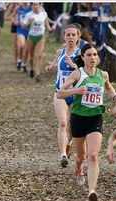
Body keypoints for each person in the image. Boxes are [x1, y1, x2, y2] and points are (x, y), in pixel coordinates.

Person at [56, 43, 116, 201]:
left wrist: (115, 98)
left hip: (95, 118)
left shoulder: (103, 75)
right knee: (81, 156)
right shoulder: (78, 74)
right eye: (89, 55)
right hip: (78, 118)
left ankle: (92, 191)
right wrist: (76, 91)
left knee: (92, 155)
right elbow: (60, 93)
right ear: (82, 57)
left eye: (95, 55)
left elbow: (109, 88)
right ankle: (78, 168)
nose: (92, 58)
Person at [45, 24, 81, 168]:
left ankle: (68, 144)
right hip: (60, 92)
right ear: (64, 37)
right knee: (63, 123)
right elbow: (56, 60)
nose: (71, 37)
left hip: (75, 94)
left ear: (78, 37)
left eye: (74, 35)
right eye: (68, 35)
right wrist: (51, 67)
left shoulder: (81, 55)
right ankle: (63, 156)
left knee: (72, 128)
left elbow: (85, 73)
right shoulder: (60, 52)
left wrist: (74, 66)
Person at [21, 2, 53, 82]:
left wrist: (49, 28)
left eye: (36, 4)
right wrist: (30, 22)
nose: (35, 6)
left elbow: (46, 22)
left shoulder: (44, 14)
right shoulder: (29, 15)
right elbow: (23, 26)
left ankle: (37, 74)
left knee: (39, 55)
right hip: (31, 36)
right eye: (33, 5)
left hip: (40, 36)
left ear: (39, 6)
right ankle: (32, 68)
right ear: (31, 6)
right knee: (31, 57)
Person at [12, 2, 31, 72]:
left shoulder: (31, 7)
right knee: (21, 45)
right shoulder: (18, 8)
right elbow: (12, 16)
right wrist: (15, 21)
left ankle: (23, 64)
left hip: (29, 30)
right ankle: (19, 60)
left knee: (27, 49)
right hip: (20, 29)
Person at [5, 3, 19, 68]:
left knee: (23, 45)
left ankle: (21, 59)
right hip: (14, 26)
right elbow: (5, 17)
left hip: (23, 27)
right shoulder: (12, 6)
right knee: (16, 46)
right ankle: (16, 61)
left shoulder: (25, 5)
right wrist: (12, 17)